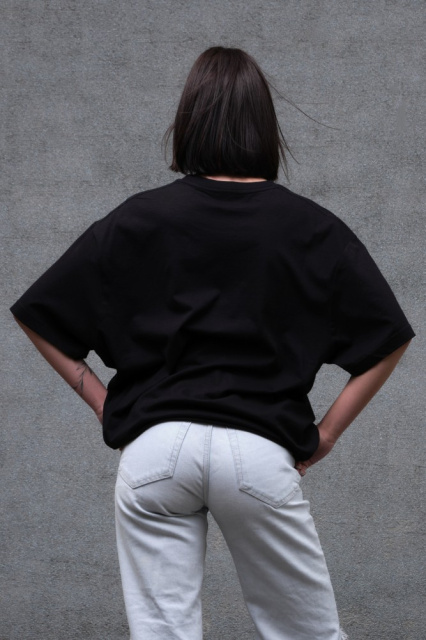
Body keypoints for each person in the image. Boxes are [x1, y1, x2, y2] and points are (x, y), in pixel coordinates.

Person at [11, 47, 414, 640]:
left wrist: (101, 400)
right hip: (259, 447)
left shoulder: (138, 218)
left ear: (189, 122)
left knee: (163, 633)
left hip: (155, 450)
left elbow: (39, 314)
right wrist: (325, 435)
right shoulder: (312, 227)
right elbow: (389, 339)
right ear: (265, 128)